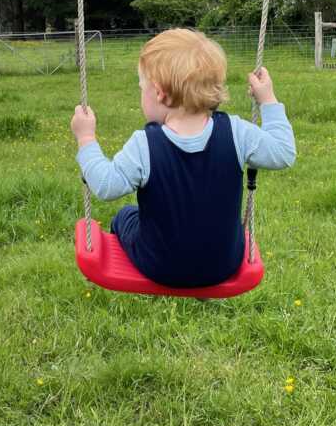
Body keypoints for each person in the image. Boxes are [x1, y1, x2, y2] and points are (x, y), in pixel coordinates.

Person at [70, 28, 295, 289]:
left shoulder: (145, 144)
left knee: (124, 216)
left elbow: (107, 186)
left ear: (159, 93)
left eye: (141, 88)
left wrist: (86, 139)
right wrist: (268, 99)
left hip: (160, 267)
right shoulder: (237, 132)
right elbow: (283, 153)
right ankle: (200, 283)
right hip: (223, 265)